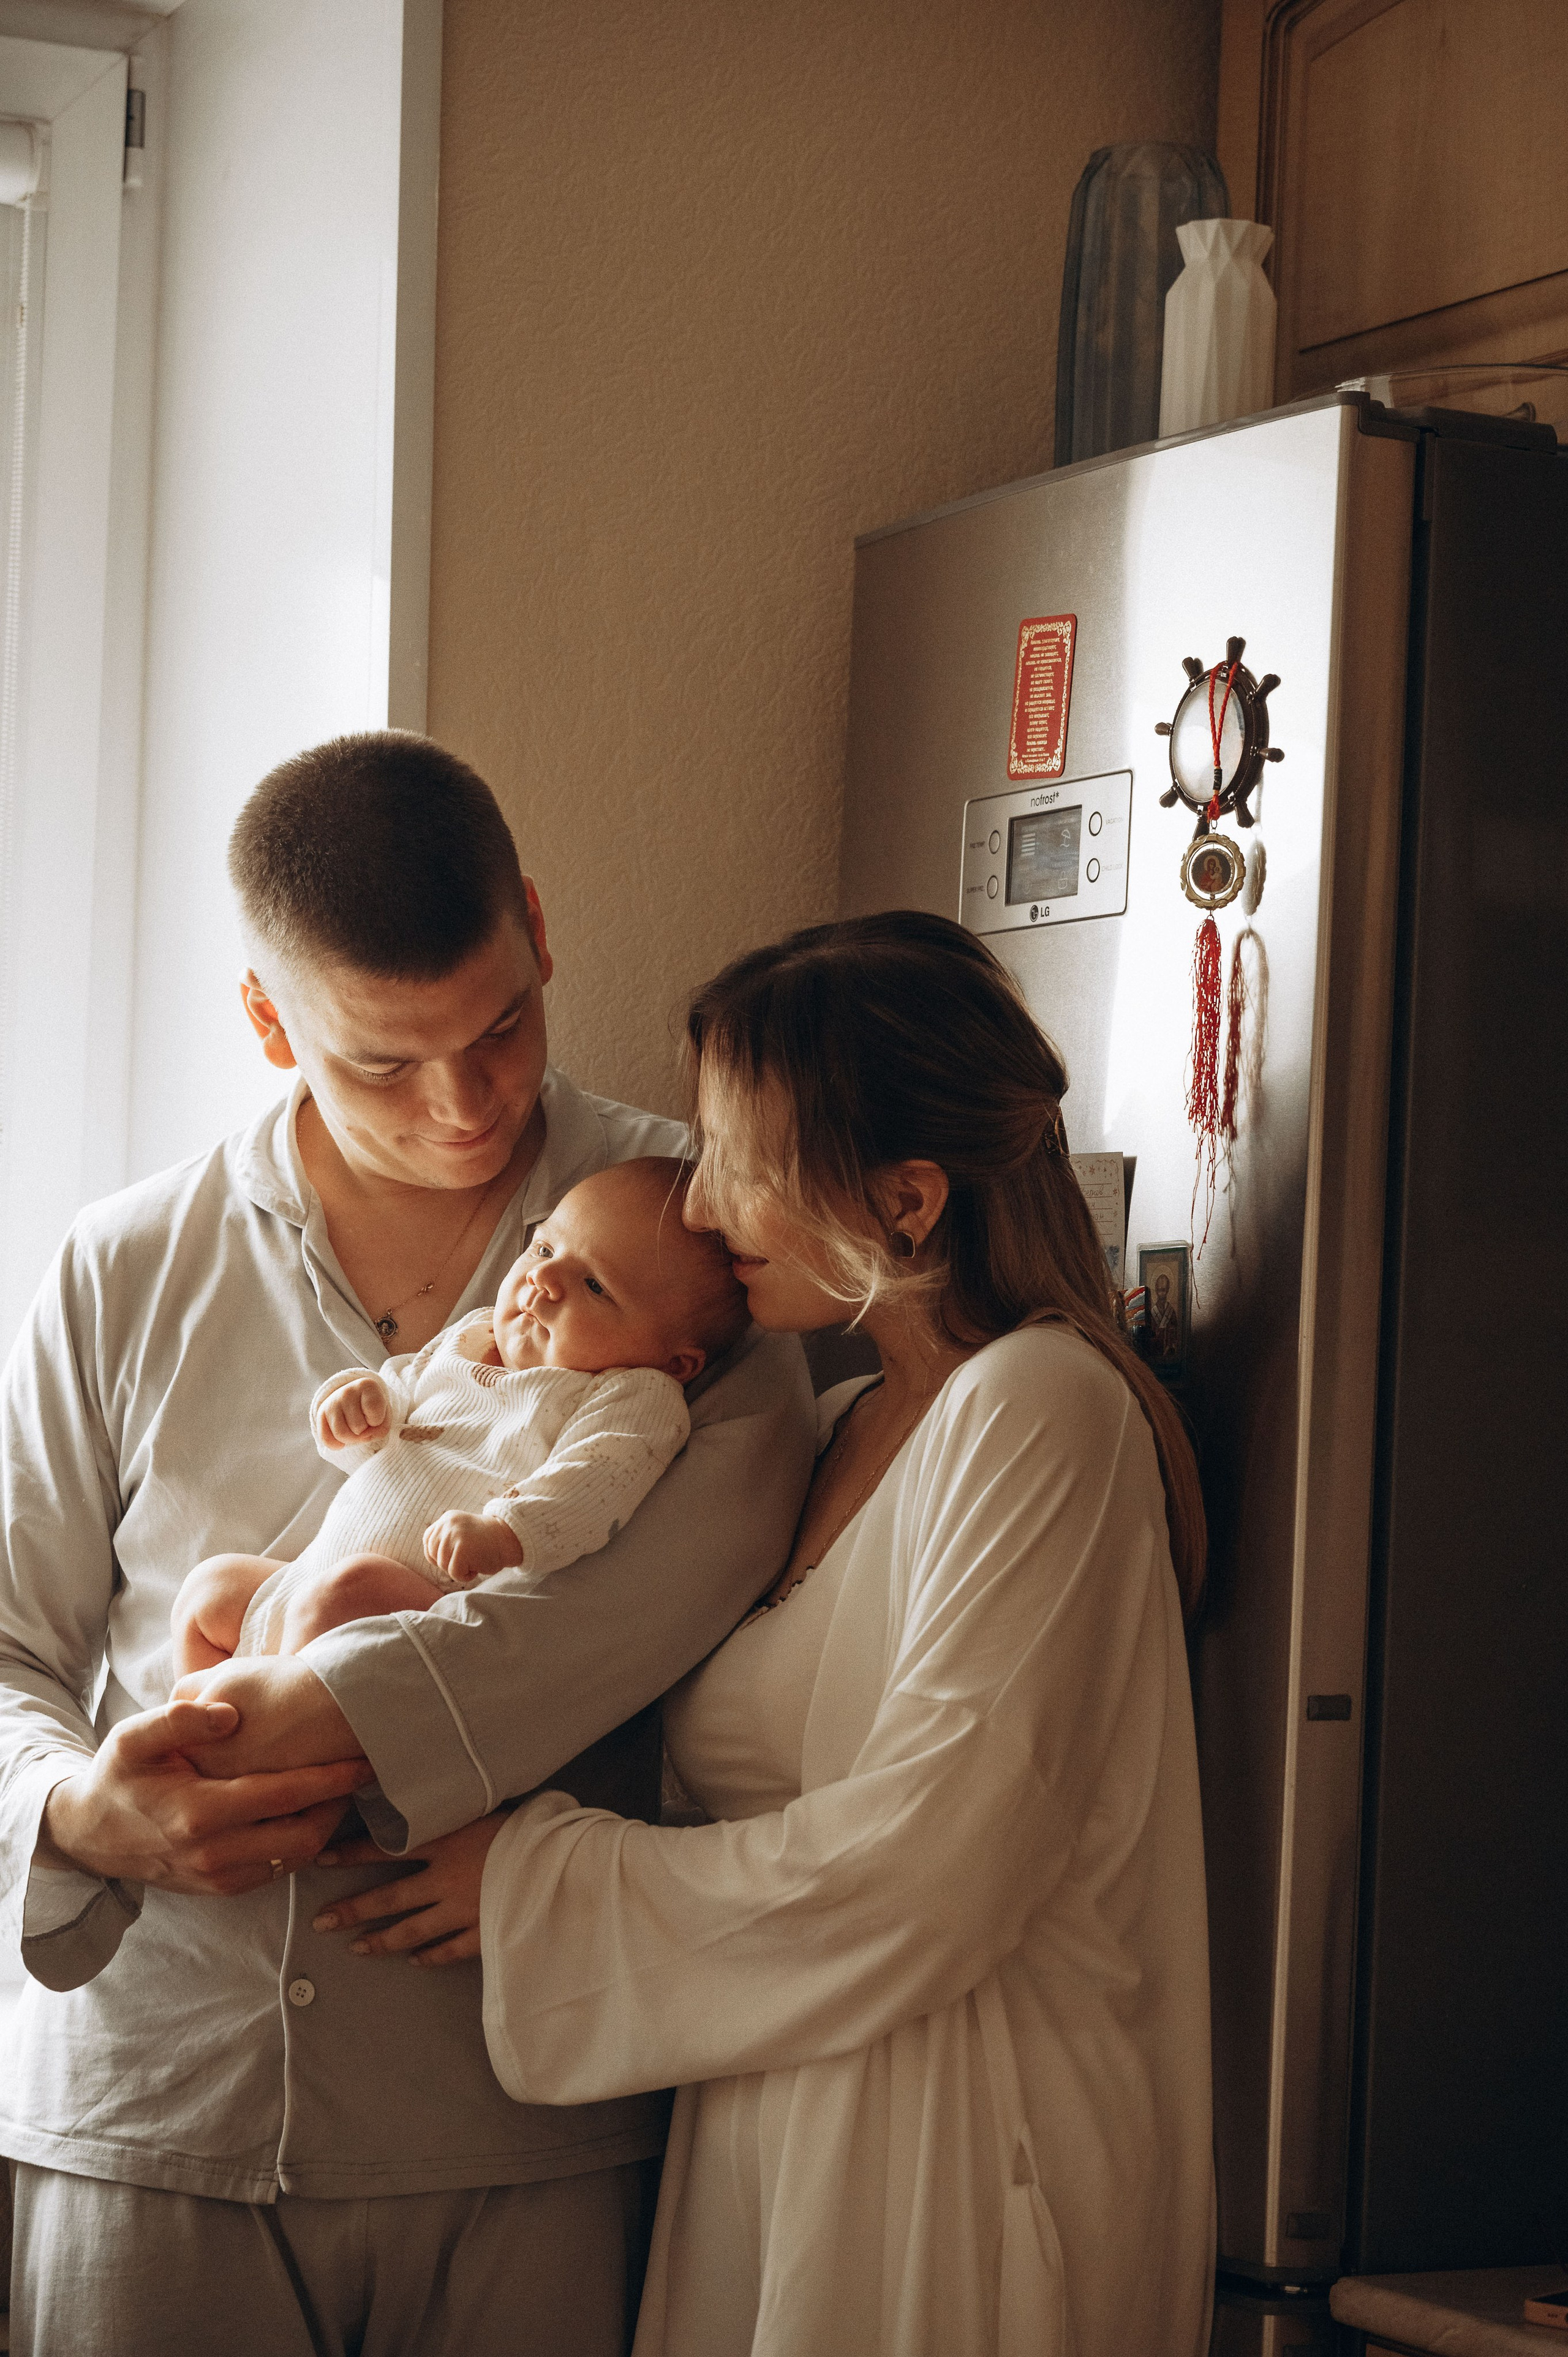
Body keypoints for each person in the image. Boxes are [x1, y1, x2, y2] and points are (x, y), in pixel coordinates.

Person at [0, 733, 815, 2357]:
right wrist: (79, 1811)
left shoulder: (705, 1237)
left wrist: (273, 1734)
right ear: (266, 1021)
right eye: (383, 1064)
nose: (465, 1102)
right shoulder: (118, 1267)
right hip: (151, 2104)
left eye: (500, 1027)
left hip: (524, 2116)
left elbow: (658, 1593)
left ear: (536, 927)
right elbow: (11, 1642)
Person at [313, 910, 1218, 2355]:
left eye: (740, 1160)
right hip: (770, 2111)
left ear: (905, 1201)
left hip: (954, 2150)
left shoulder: (1040, 1408)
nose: (702, 1205)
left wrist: (535, 1883)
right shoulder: (835, 1425)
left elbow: (940, 1860)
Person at [173, 1158, 749, 1669]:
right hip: (310, 1576)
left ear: (676, 1362)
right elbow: (391, 1415)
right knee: (210, 1588)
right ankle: (202, 1722)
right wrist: (359, 1408)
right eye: (545, 1249)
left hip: (421, 1606)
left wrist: (506, 1532)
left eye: (595, 1286)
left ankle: (255, 1732)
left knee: (343, 1592)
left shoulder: (631, 1394)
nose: (543, 1280)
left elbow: (597, 1482)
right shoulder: (471, 1335)